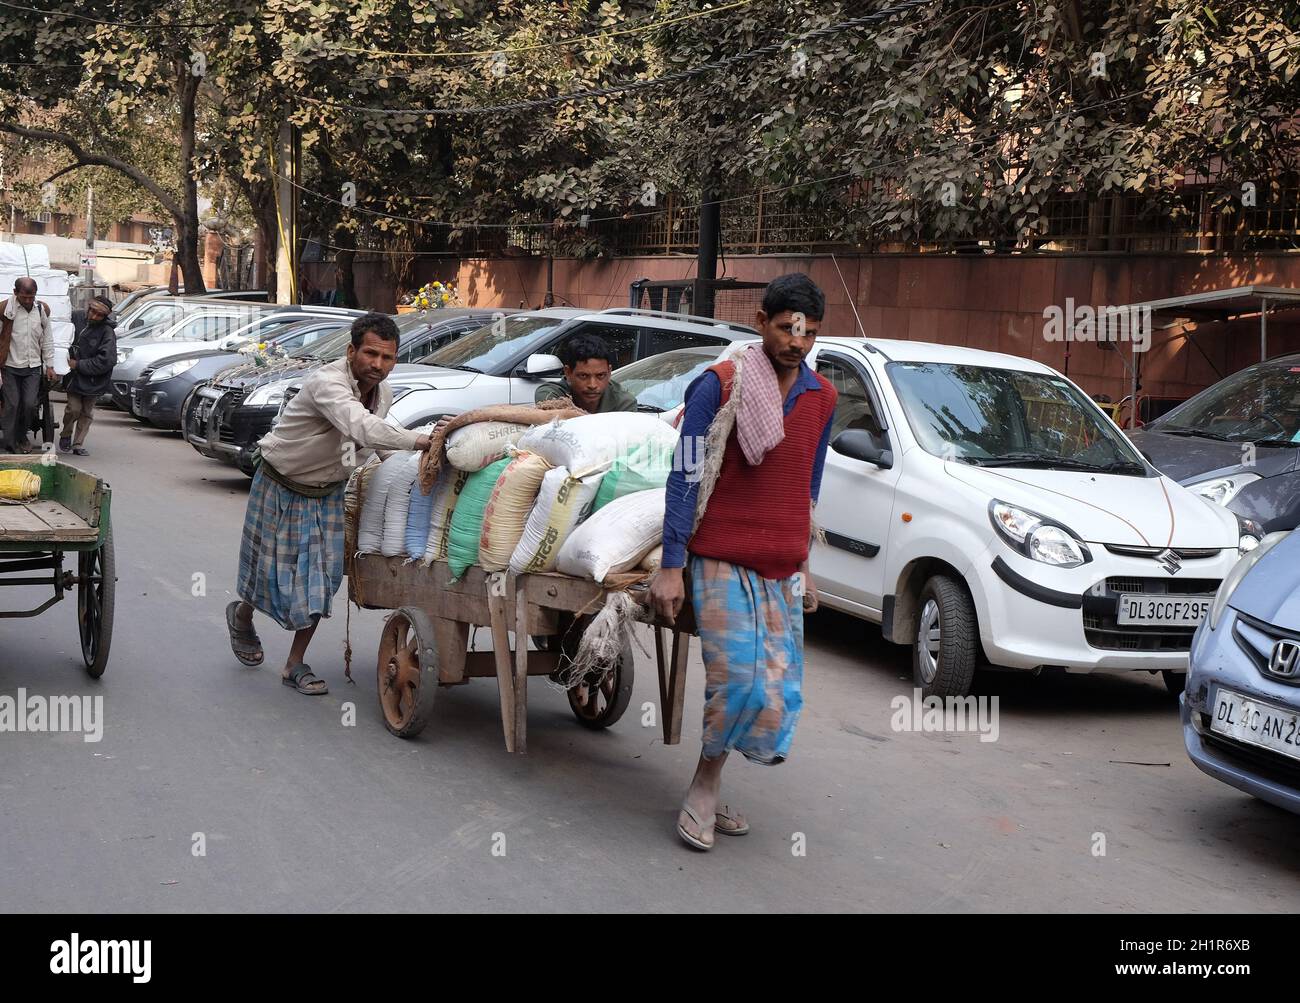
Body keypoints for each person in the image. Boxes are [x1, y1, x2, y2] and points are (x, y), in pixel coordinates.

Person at [649, 273, 837, 852]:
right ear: (760, 322)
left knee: (774, 691)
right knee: (737, 683)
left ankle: (713, 777)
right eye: (787, 329)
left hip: (781, 566)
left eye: (808, 334)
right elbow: (684, 473)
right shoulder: (718, 384)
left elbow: (809, 486)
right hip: (719, 557)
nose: (797, 343)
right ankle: (704, 787)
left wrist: (805, 564)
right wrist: (672, 564)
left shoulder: (823, 397)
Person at [225, 312, 433, 695]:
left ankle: (294, 664)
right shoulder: (327, 383)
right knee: (264, 572)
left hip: (327, 493)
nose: (378, 365)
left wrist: (414, 472)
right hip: (280, 481)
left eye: (387, 358)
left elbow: (372, 443)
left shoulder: (382, 394)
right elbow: (360, 426)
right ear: (351, 350)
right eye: (370, 354)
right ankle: (242, 615)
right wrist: (421, 441)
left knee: (322, 582)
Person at [0, 277, 55, 454]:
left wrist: (50, 365)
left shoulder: (41, 310)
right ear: (15, 293)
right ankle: (10, 443)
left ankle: (22, 436)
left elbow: (47, 338)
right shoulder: (4, 310)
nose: (28, 301)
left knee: (30, 404)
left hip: (33, 368)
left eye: (31, 297)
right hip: (10, 366)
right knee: (12, 404)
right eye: (24, 297)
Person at [59, 295, 117, 456]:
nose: (94, 317)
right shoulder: (76, 317)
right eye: (93, 312)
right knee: (73, 409)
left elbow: (107, 360)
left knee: (86, 412)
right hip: (74, 377)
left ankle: (78, 444)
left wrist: (79, 364)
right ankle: (66, 433)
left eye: (99, 315)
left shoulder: (107, 332)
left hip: (94, 379)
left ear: (105, 316)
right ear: (89, 308)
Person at [534, 333, 637, 413]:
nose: (592, 385)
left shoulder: (624, 402)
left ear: (609, 372)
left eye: (600, 375)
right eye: (583, 376)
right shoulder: (551, 393)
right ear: (568, 372)